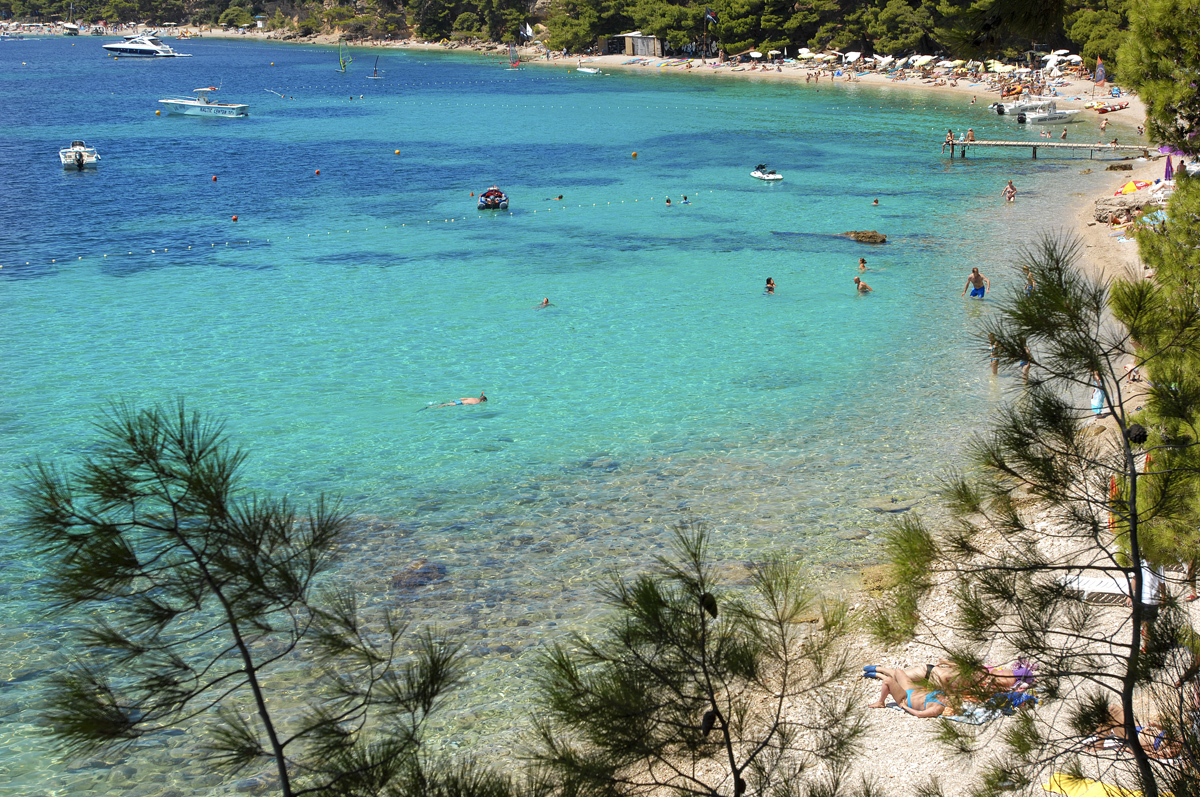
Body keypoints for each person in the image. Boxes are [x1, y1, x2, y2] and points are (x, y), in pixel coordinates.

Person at [864, 665, 952, 718]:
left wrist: (904, 707)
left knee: (888, 680)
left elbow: (919, 714)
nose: (949, 698)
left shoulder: (937, 708)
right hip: (913, 691)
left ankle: (880, 702)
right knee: (899, 672)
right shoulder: (943, 695)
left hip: (905, 699)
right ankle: (879, 671)